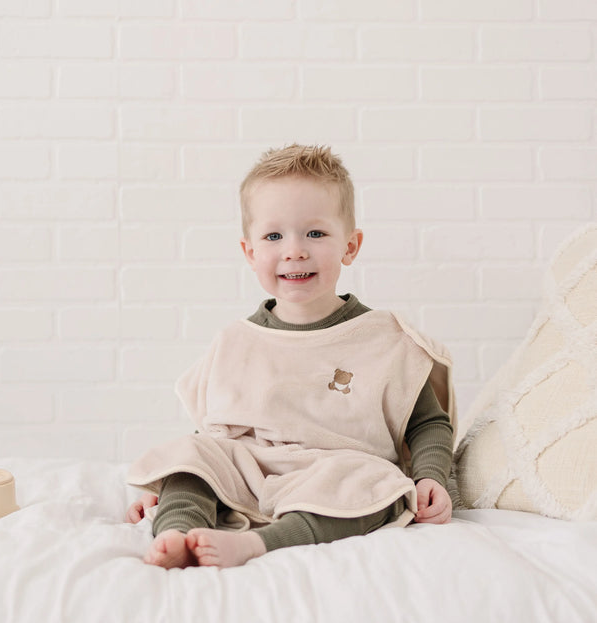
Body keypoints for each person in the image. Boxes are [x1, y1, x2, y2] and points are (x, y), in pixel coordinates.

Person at [125, 144, 456, 570]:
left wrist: (430, 476)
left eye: (315, 234)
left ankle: (260, 544)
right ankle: (177, 531)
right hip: (251, 466)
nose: (294, 250)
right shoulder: (237, 340)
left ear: (350, 246)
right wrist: (175, 478)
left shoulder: (382, 339)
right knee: (193, 456)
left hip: (335, 471)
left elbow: (427, 421)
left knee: (377, 486)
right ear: (250, 252)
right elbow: (214, 426)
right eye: (274, 236)